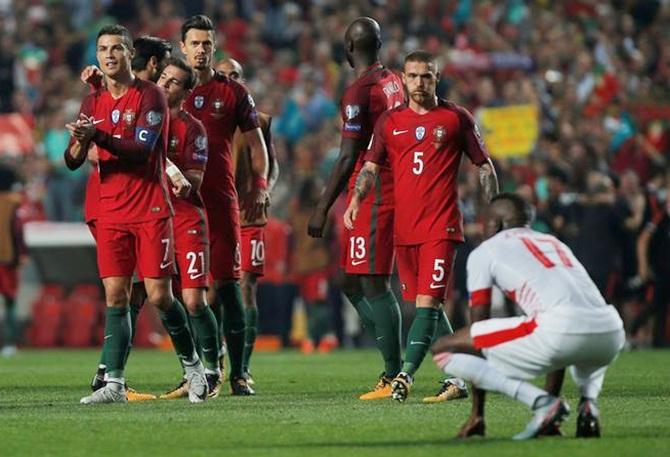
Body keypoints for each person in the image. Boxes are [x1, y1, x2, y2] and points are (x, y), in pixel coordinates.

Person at [344, 50, 498, 402]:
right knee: (424, 307)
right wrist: (355, 200)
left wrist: (496, 212)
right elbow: (370, 167)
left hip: (440, 228)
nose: (419, 83)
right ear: (404, 78)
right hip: (405, 230)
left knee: (428, 304)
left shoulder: (457, 118)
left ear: (437, 77)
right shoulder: (389, 122)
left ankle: (405, 375)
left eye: (426, 76)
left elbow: (484, 165)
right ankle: (461, 376)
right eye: (412, 76)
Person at [64, 25, 207, 404]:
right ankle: (113, 383)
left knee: (160, 295)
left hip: (149, 208)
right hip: (111, 210)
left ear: (130, 54)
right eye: (102, 49)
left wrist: (97, 138)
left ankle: (194, 369)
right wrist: (79, 141)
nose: (109, 55)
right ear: (96, 56)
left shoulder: (152, 96)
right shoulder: (91, 101)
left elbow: (140, 150)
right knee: (116, 295)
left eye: (116, 49)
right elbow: (71, 161)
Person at [431, 193, 624, 440]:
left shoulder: (485, 251)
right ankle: (588, 403)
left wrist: (477, 414)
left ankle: (541, 403)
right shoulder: (553, 243)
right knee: (559, 330)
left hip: (561, 329)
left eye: (485, 222)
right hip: (611, 332)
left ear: (496, 224)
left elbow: (479, 330)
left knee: (445, 348)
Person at [307, 17, 408, 400]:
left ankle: (395, 373)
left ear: (348, 48)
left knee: (375, 282)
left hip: (376, 187)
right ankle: (395, 360)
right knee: (350, 279)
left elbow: (348, 154)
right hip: (388, 182)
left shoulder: (359, 91)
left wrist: (322, 207)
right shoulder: (394, 79)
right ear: (378, 44)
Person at [180, 15, 269, 395]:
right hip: (179, 207)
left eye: (206, 44)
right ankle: (202, 369)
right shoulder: (167, 91)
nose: (201, 49)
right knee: (187, 294)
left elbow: (256, 146)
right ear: (182, 48)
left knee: (230, 287)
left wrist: (261, 185)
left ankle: (238, 373)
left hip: (220, 202)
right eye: (194, 43)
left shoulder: (233, 92)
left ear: (214, 48)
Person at [155, 58, 222, 396]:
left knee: (194, 300)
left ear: (185, 91)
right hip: (155, 220)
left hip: (186, 219)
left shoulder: (192, 129)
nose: (164, 85)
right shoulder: (145, 121)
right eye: (162, 78)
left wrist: (174, 174)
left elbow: (191, 183)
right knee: (163, 298)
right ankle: (192, 370)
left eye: (173, 82)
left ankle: (213, 369)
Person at [217, 57, 280, 385]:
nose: (229, 79)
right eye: (224, 74)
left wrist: (265, 189)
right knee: (212, 290)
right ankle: (215, 356)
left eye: (235, 75)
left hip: (248, 214)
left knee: (246, 286)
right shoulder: (205, 114)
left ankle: (243, 366)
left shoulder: (259, 121)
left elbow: (271, 163)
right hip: (214, 212)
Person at [0, 164, 25, 357]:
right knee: (10, 302)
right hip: (6, 258)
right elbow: (17, 230)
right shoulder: (12, 202)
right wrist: (22, 254)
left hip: (5, 258)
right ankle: (9, 343)